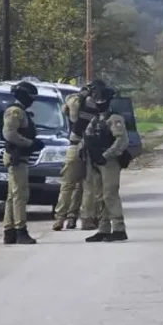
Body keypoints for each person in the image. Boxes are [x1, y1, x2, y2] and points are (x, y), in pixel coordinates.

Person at [51, 82, 102, 232]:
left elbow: (69, 109)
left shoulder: (76, 103)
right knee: (88, 186)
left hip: (75, 147)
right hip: (91, 149)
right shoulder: (99, 107)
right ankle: (86, 219)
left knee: (68, 185)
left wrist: (82, 94)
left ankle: (60, 218)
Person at [83, 84, 131, 243]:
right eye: (96, 99)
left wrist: (106, 155)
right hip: (95, 161)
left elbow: (122, 140)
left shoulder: (114, 119)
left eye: (101, 100)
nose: (98, 102)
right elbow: (87, 138)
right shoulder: (95, 120)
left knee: (110, 194)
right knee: (99, 196)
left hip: (109, 161)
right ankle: (103, 228)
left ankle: (119, 228)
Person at [0, 80, 39, 245]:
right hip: (16, 157)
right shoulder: (15, 111)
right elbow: (9, 134)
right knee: (20, 195)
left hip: (20, 157)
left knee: (13, 195)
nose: (32, 101)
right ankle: (20, 230)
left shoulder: (21, 111)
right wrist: (30, 144)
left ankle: (9, 231)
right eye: (31, 97)